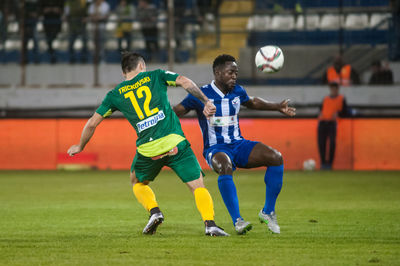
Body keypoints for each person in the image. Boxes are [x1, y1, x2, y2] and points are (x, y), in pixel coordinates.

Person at [67, 52, 229, 237]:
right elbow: (185, 81)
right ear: (142, 66)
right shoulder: (157, 75)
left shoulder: (115, 94)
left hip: (148, 150)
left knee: (136, 181)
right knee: (197, 186)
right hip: (175, 142)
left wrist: (80, 146)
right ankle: (210, 224)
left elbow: (92, 123)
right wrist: (206, 101)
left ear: (124, 73)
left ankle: (154, 212)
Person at [173, 54, 296, 234]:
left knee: (276, 158)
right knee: (225, 166)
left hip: (239, 144)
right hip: (215, 148)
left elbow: (252, 102)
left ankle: (268, 211)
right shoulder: (200, 94)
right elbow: (177, 111)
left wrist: (277, 106)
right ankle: (237, 220)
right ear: (217, 72)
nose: (234, 76)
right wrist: (159, 118)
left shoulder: (238, 91)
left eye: (236, 73)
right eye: (230, 72)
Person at [318, 82, 348, 170]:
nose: (333, 90)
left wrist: (338, 113)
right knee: (321, 144)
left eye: (335, 89)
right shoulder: (325, 99)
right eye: (332, 88)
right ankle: (323, 163)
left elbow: (345, 112)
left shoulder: (341, 98)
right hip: (323, 123)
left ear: (337, 89)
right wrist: (320, 114)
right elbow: (320, 109)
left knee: (332, 144)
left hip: (332, 123)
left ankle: (330, 164)